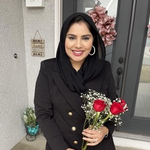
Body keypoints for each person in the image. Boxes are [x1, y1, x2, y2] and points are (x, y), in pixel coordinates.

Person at [34, 12, 116, 150]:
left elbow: (113, 109)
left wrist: (105, 131)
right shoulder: (48, 69)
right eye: (72, 37)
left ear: (93, 40)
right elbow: (43, 115)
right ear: (63, 39)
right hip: (61, 145)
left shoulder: (104, 69)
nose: (78, 45)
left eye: (85, 38)